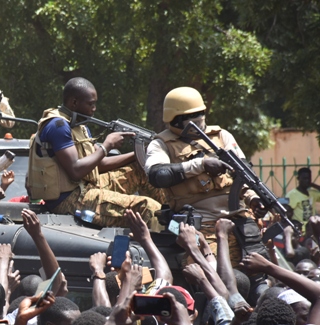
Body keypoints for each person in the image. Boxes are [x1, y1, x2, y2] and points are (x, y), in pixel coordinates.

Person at [145, 86, 268, 267]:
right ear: (176, 120)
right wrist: (200, 165)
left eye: (201, 113)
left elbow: (243, 174)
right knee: (213, 272)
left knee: (262, 271)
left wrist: (253, 198)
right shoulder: (161, 144)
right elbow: (158, 175)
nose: (200, 118)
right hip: (199, 226)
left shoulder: (221, 136)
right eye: (192, 115)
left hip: (240, 221)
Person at [27, 77, 162, 228]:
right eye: (91, 104)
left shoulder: (79, 126)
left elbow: (99, 165)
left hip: (86, 188)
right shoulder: (57, 126)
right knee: (149, 207)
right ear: (74, 102)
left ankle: (175, 213)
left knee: (141, 171)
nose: (94, 108)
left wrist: (138, 155)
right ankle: (167, 239)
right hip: (70, 200)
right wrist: (107, 146)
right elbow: (75, 171)